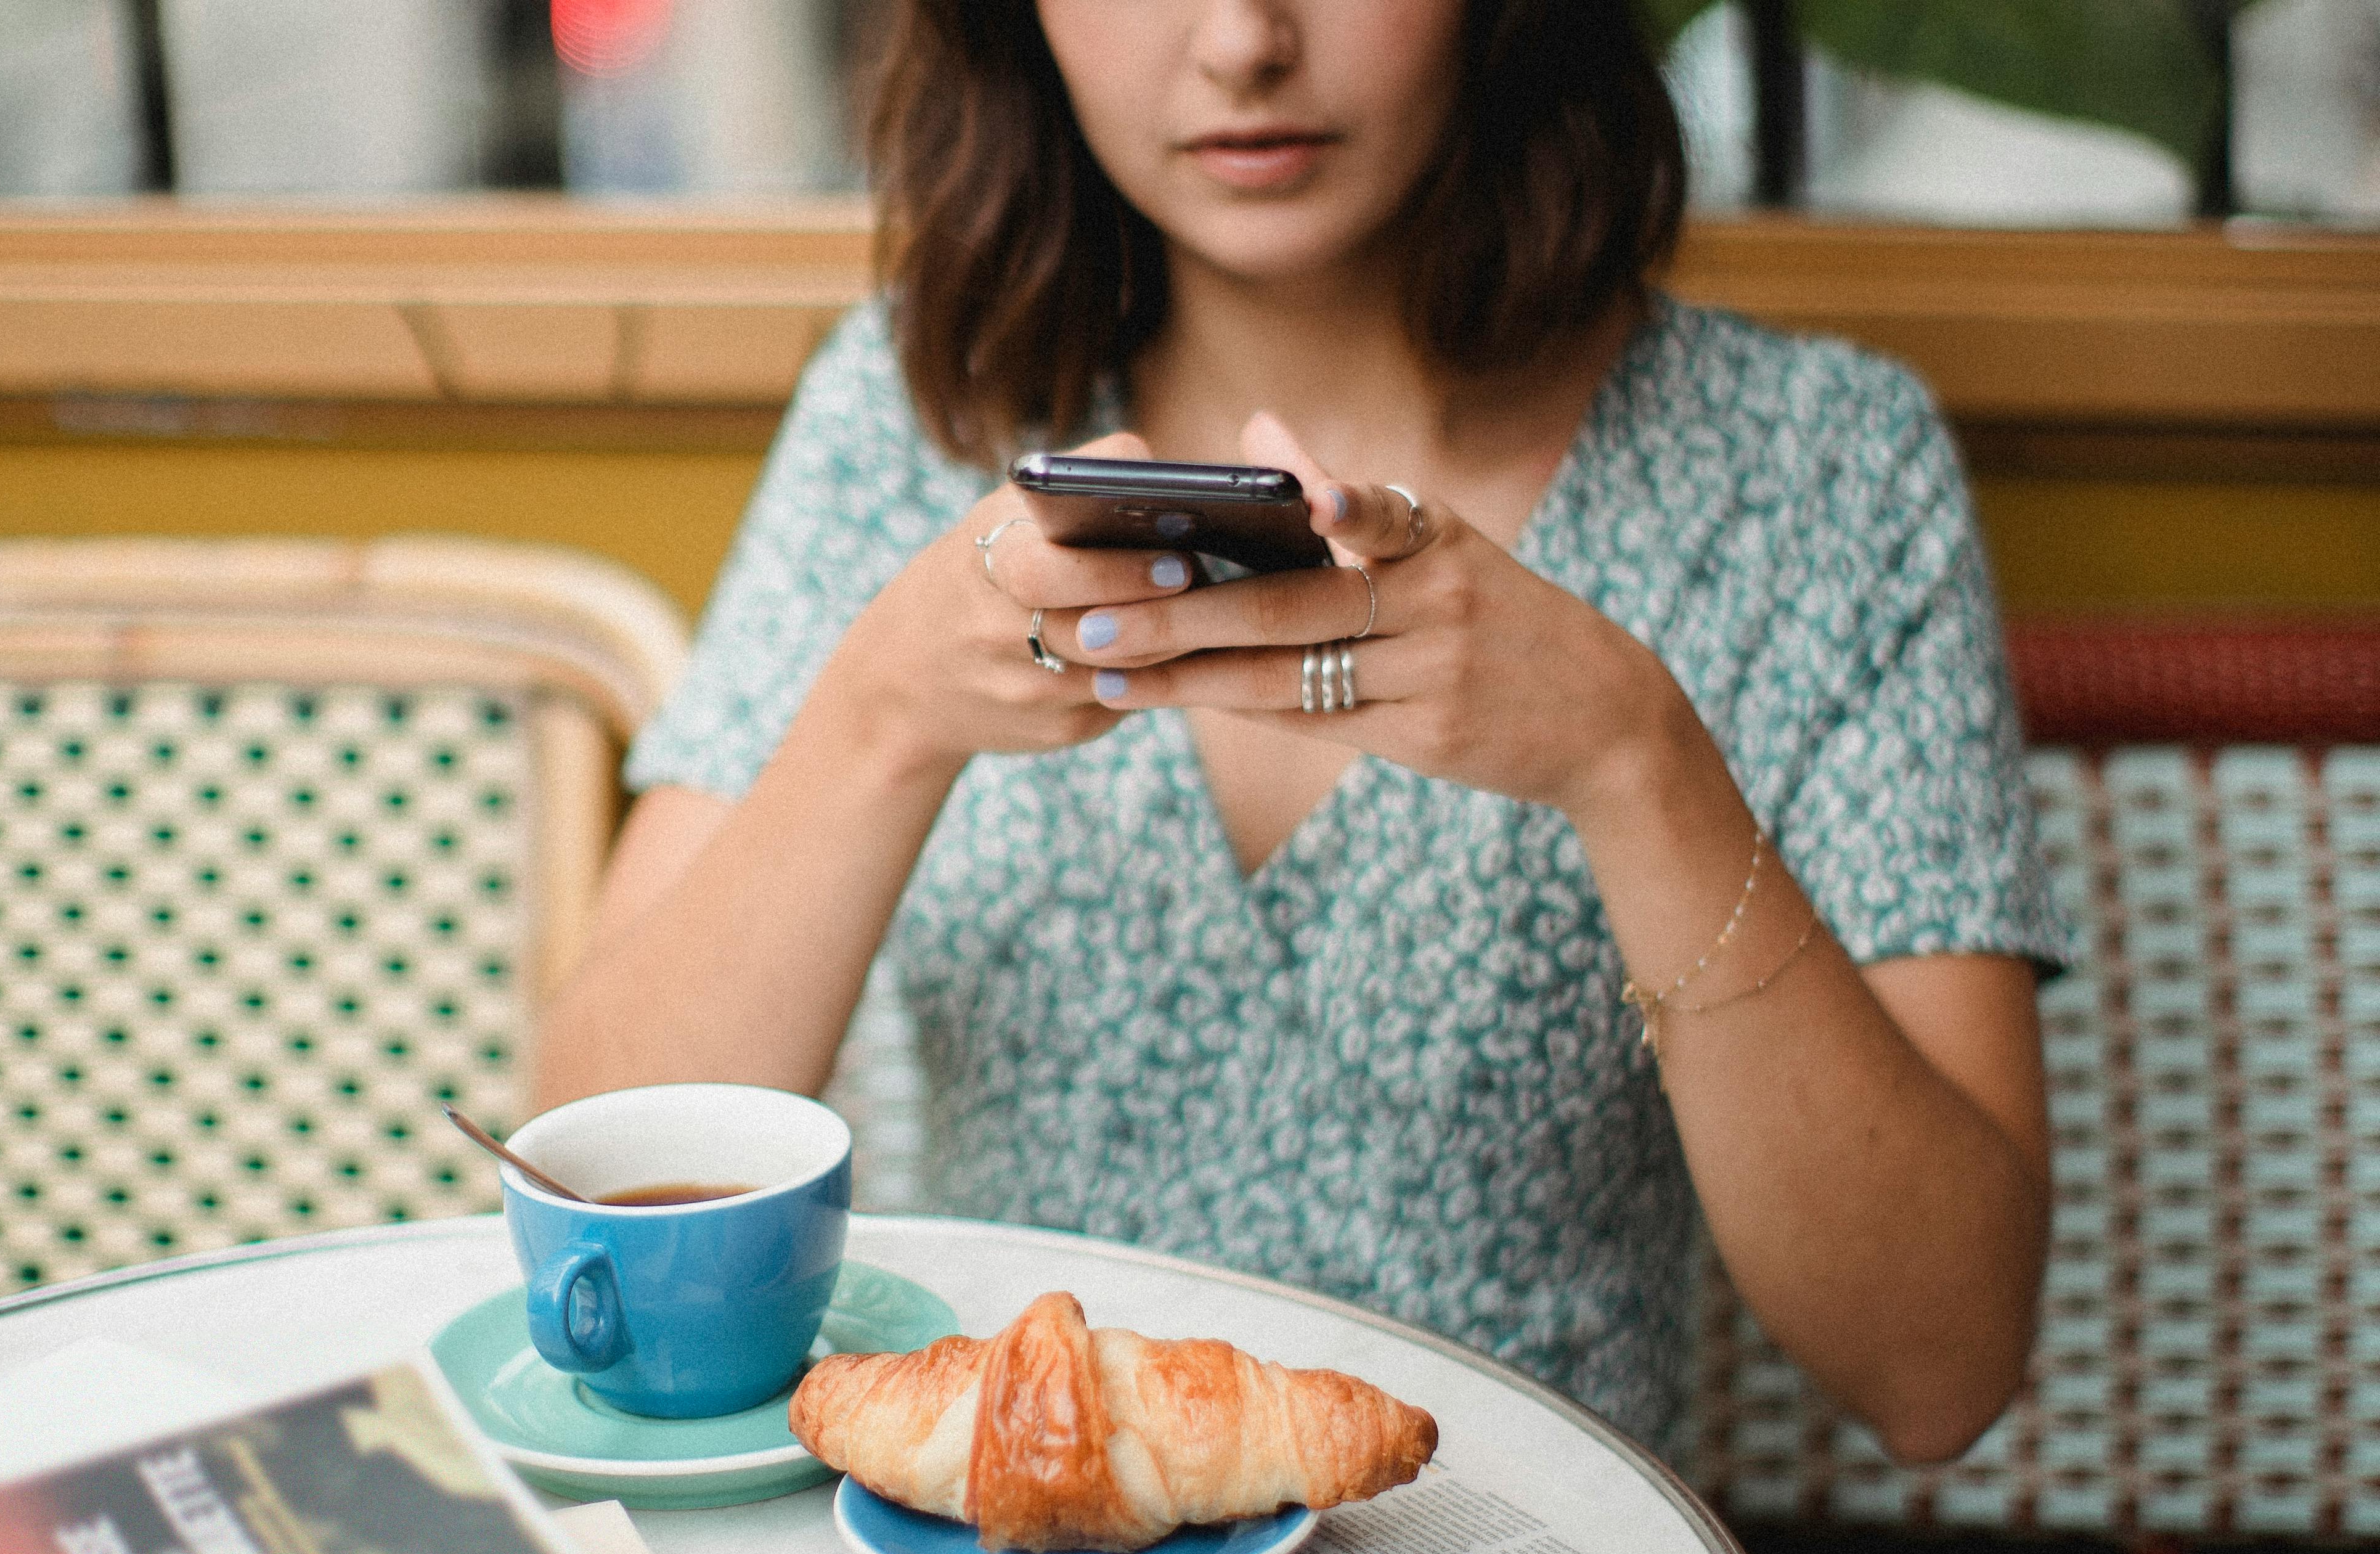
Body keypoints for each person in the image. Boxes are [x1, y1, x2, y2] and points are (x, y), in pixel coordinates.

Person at [536, 0, 2069, 1462]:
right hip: (988, 1552)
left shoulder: (1819, 473)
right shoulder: (904, 419)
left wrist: (1630, 759)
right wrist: (876, 720)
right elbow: (579, 1173)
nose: (1242, 43)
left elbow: (1934, 1368)